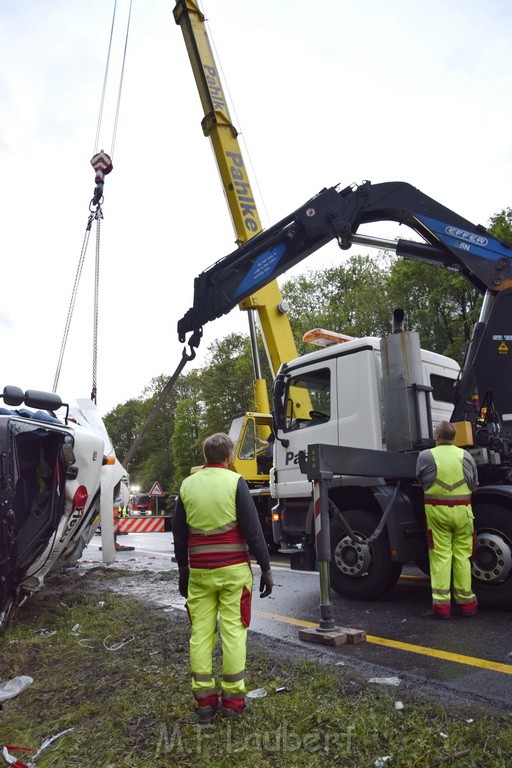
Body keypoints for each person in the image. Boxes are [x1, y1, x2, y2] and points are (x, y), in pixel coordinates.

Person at [172, 432, 273, 724]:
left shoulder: (187, 485)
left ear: (206, 457)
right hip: (233, 573)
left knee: (200, 634)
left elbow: (180, 536)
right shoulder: (235, 482)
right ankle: (233, 702)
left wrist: (183, 571)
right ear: (229, 457)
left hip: (200, 573)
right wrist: (266, 568)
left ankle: (204, 703)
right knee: (233, 633)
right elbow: (253, 531)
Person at [416, 420, 479, 619]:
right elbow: (474, 484)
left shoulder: (426, 456)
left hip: (437, 512)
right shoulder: (465, 455)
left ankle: (442, 608)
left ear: (437, 436)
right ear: (455, 438)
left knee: (441, 556)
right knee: (463, 556)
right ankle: (467, 603)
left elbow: (421, 480)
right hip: (464, 512)